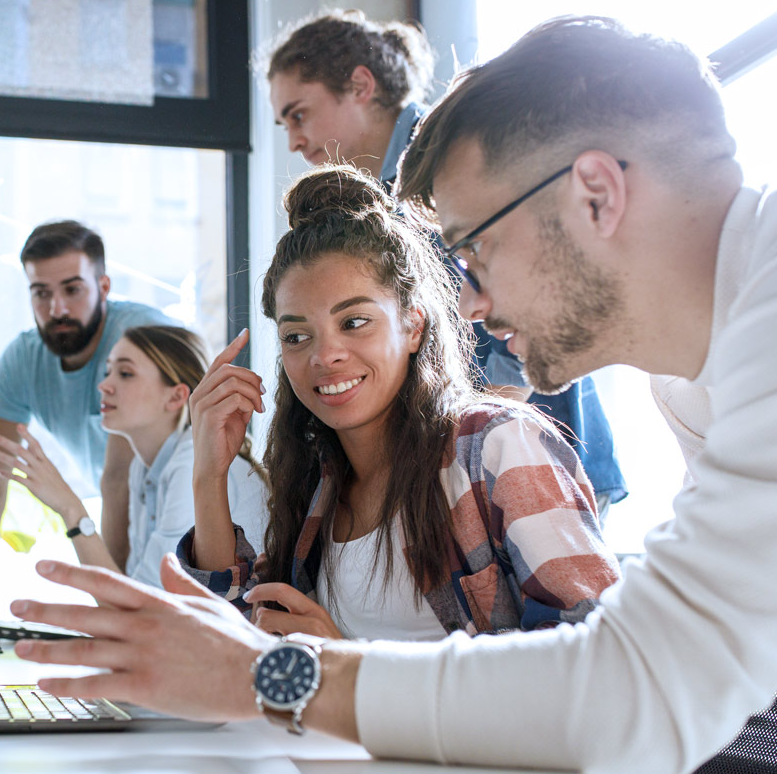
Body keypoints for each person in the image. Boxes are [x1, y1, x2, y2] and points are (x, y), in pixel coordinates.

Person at [10, 14, 777, 774]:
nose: (468, 301)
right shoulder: (701, 371)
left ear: (595, 194)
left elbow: (636, 686)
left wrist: (273, 675)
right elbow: (680, 671)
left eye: (474, 248)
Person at [178, 164, 618, 640]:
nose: (324, 356)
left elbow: (597, 652)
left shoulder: (496, 447)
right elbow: (238, 642)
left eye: (354, 322)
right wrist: (209, 474)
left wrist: (349, 666)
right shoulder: (316, 482)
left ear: (413, 325)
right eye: (297, 335)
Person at [266, 10, 627, 520]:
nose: (294, 141)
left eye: (299, 114)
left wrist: (463, 450)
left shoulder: (451, 163)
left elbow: (520, 314)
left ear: (360, 85)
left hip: (527, 458)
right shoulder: (389, 198)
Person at [0, 220, 173, 613]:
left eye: (72, 290)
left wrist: (115, 613)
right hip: (123, 517)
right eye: (41, 293)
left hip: (184, 518)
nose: (56, 309)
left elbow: (117, 482)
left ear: (104, 287)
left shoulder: (141, 340)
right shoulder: (22, 360)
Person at [0, 326, 268, 589]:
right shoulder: (142, 469)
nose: (104, 386)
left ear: (175, 397)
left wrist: (70, 508)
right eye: (108, 371)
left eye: (124, 374)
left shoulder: (191, 465)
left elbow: (146, 609)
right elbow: (138, 591)